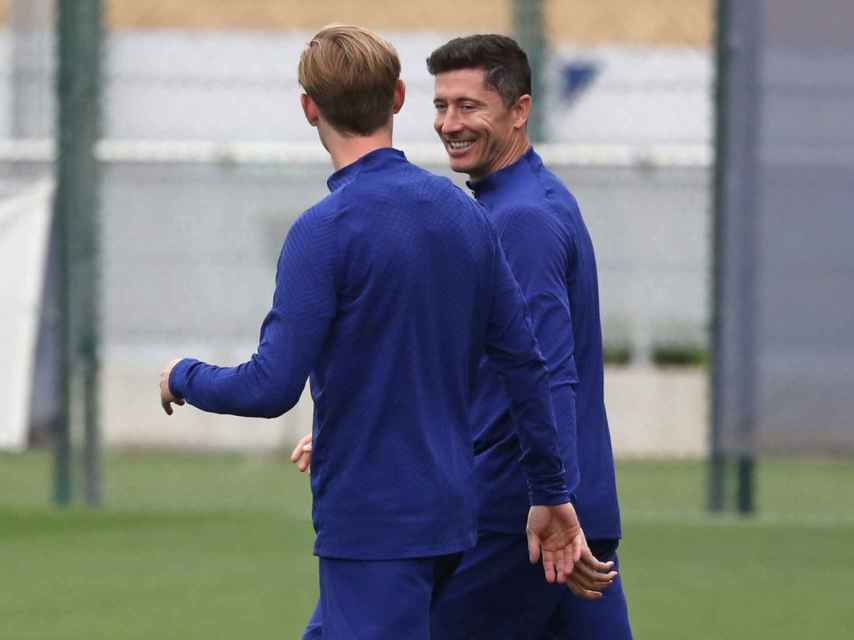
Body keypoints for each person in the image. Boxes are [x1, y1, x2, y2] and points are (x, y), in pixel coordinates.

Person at [159, 25, 589, 640]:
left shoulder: (325, 230)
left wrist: (184, 377)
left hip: (373, 522)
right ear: (399, 97)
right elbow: (525, 365)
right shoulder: (462, 213)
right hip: (449, 515)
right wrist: (549, 489)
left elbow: (269, 386)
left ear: (309, 108)